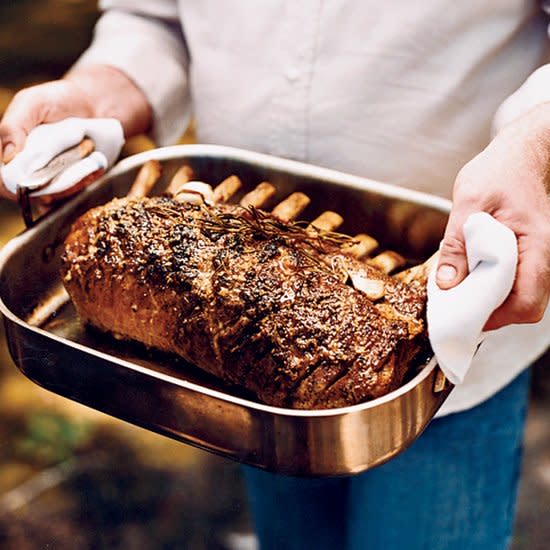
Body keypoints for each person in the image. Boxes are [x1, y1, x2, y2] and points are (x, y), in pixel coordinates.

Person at [1, 2, 549, 548]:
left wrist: (535, 150)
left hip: (456, 335)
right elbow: (154, 19)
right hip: (242, 376)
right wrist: (96, 94)